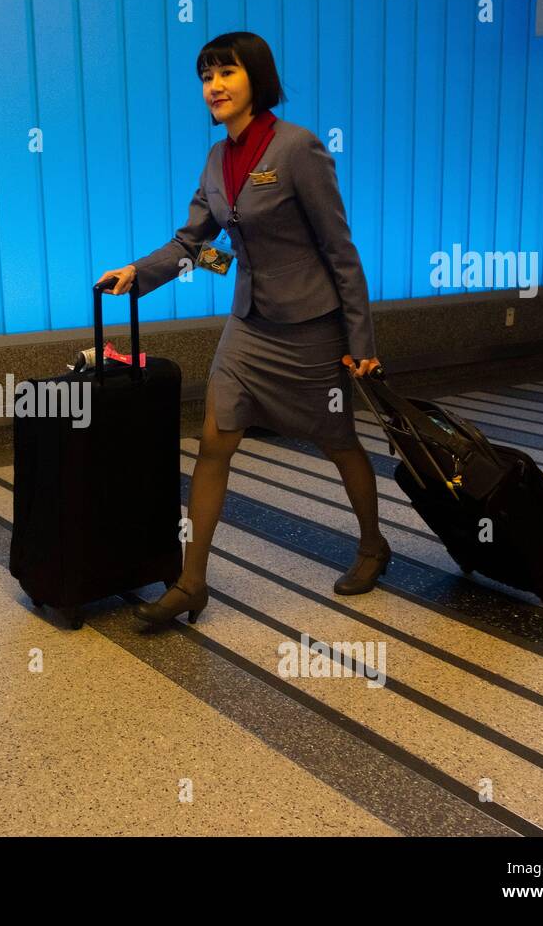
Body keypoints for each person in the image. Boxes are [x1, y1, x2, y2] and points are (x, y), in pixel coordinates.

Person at [94, 31, 389, 626]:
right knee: (213, 443)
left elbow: (340, 249)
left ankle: (372, 545)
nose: (215, 85)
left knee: (337, 441)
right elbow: (194, 240)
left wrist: (361, 342)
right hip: (248, 325)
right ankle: (191, 581)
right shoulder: (215, 159)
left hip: (310, 327)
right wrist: (138, 272)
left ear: (256, 77)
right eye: (206, 76)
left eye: (226, 72)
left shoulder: (297, 148)